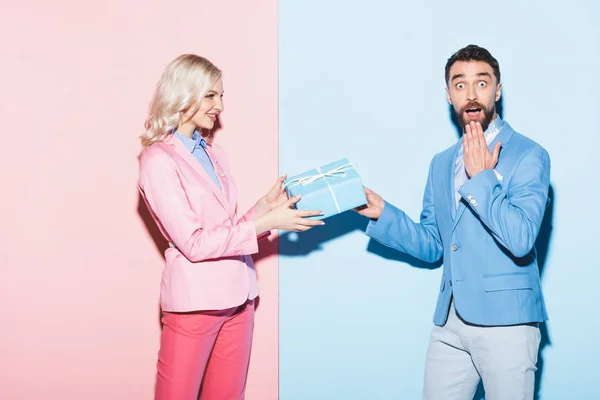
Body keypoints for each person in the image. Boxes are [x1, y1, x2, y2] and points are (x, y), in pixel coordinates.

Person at [356, 45, 550, 400]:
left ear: (498, 90)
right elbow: (434, 244)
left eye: (482, 83)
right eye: (460, 85)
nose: (471, 95)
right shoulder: (441, 162)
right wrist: (384, 214)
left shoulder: (529, 155)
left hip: (507, 323)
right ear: (448, 95)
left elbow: (521, 238)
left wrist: (481, 178)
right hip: (450, 323)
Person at [138, 54, 323, 400]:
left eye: (221, 96)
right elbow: (194, 244)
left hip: (240, 300)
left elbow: (225, 228)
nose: (219, 106)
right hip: (194, 306)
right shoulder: (158, 160)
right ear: (184, 94)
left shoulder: (214, 153)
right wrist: (267, 223)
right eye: (210, 95)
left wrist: (262, 209)